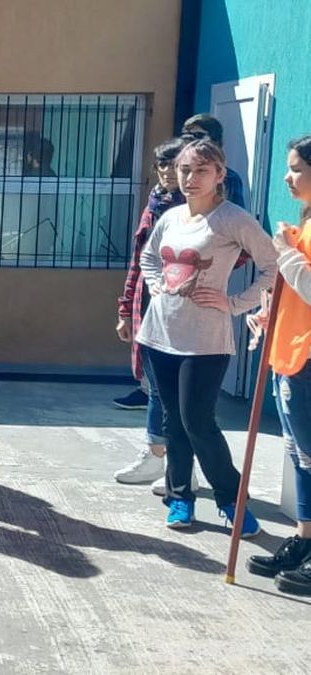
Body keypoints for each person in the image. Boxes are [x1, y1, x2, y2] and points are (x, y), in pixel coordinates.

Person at [136, 138, 276, 532]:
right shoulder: (173, 216)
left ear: (219, 174)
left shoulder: (233, 219)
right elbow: (149, 256)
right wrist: (155, 284)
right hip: (158, 334)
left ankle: (232, 500)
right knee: (172, 421)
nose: (190, 178)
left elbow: (273, 267)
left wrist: (234, 303)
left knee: (198, 421)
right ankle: (179, 497)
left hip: (206, 341)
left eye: (201, 170)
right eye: (184, 170)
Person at [246, 134, 311, 596]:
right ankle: (305, 540)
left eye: (295, 168)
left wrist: (285, 252)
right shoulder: (305, 222)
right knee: (300, 457)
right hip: (288, 352)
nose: (287, 177)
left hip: (307, 358)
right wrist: (270, 311)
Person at [112, 137, 186, 485]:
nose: (170, 172)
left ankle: (180, 463)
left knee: (180, 392)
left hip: (187, 310)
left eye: (177, 165)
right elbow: (138, 259)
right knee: (155, 387)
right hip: (149, 304)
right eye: (164, 165)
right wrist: (126, 308)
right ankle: (158, 457)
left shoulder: (200, 210)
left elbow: (240, 253)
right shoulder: (155, 203)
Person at [182, 114, 247, 209]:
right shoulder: (174, 171)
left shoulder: (229, 178)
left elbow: (235, 216)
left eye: (197, 135)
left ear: (215, 140)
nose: (190, 140)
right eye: (186, 135)